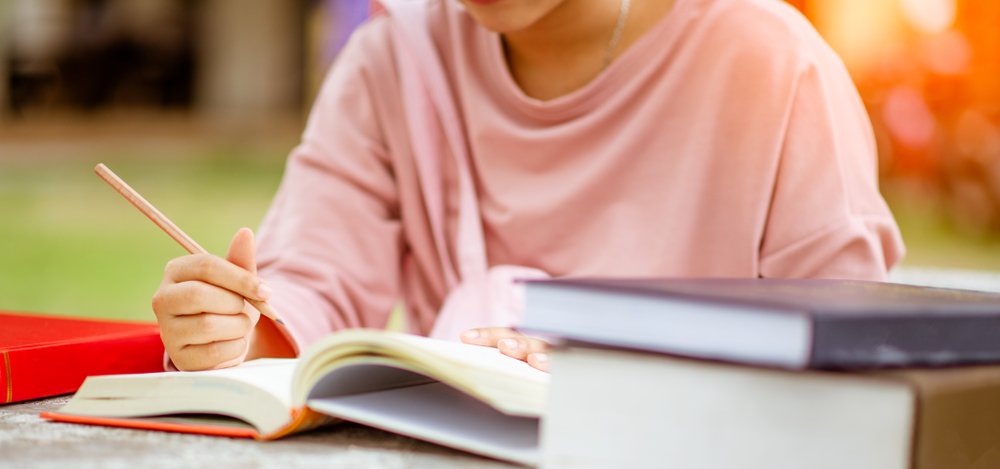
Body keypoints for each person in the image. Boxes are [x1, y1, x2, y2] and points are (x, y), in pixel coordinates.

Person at [152, 0, 905, 373]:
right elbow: (312, 287)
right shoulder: (396, 61)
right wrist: (237, 332)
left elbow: (851, 366)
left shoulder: (771, 65)